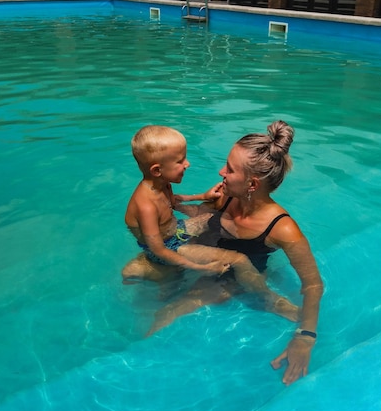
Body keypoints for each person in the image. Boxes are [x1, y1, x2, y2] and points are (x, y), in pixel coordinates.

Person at [156, 120, 324, 385]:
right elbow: (202, 215)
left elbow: (313, 285)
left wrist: (306, 337)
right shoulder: (228, 195)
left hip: (233, 279)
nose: (221, 172)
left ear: (252, 184)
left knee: (167, 314)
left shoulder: (283, 229)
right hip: (203, 257)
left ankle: (275, 304)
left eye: (230, 169)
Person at [122, 125, 299, 322]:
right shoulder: (145, 206)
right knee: (238, 259)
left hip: (175, 231)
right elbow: (159, 250)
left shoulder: (163, 184)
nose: (187, 164)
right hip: (167, 247)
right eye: (180, 161)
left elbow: (174, 204)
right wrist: (201, 267)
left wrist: (202, 196)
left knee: (212, 217)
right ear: (157, 170)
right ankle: (270, 301)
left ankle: (164, 276)